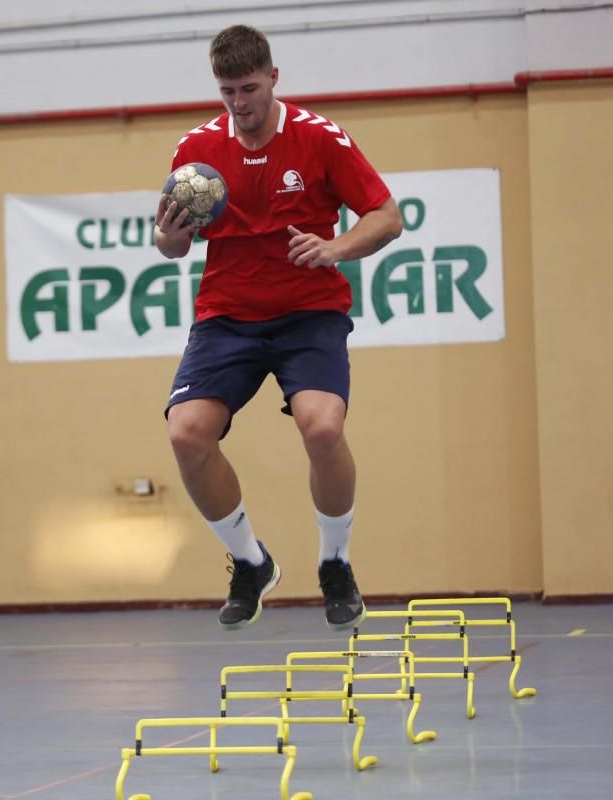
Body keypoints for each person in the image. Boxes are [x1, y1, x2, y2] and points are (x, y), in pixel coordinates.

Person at [154, 24, 402, 631]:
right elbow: (170, 247)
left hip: (308, 314)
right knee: (187, 436)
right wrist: (169, 235)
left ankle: (335, 562)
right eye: (226, 91)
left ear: (273, 79)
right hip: (227, 318)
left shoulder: (320, 139)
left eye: (249, 88)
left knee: (322, 429)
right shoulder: (196, 151)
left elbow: (387, 217)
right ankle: (250, 562)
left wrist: (335, 246)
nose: (239, 103)